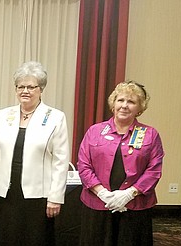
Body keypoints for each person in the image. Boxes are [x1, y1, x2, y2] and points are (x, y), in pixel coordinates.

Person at [0, 61, 70, 245]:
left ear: (41, 89)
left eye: (31, 87)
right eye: (20, 86)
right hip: (7, 193)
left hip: (39, 195)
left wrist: (55, 197)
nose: (25, 91)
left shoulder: (55, 117)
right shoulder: (3, 115)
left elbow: (60, 161)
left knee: (35, 239)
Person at [76, 81, 164, 245]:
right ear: (113, 104)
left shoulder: (150, 134)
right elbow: (83, 165)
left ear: (140, 108)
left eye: (131, 102)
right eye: (120, 100)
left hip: (134, 206)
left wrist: (129, 194)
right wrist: (102, 193)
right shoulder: (95, 131)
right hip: (98, 204)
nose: (124, 106)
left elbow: (154, 170)